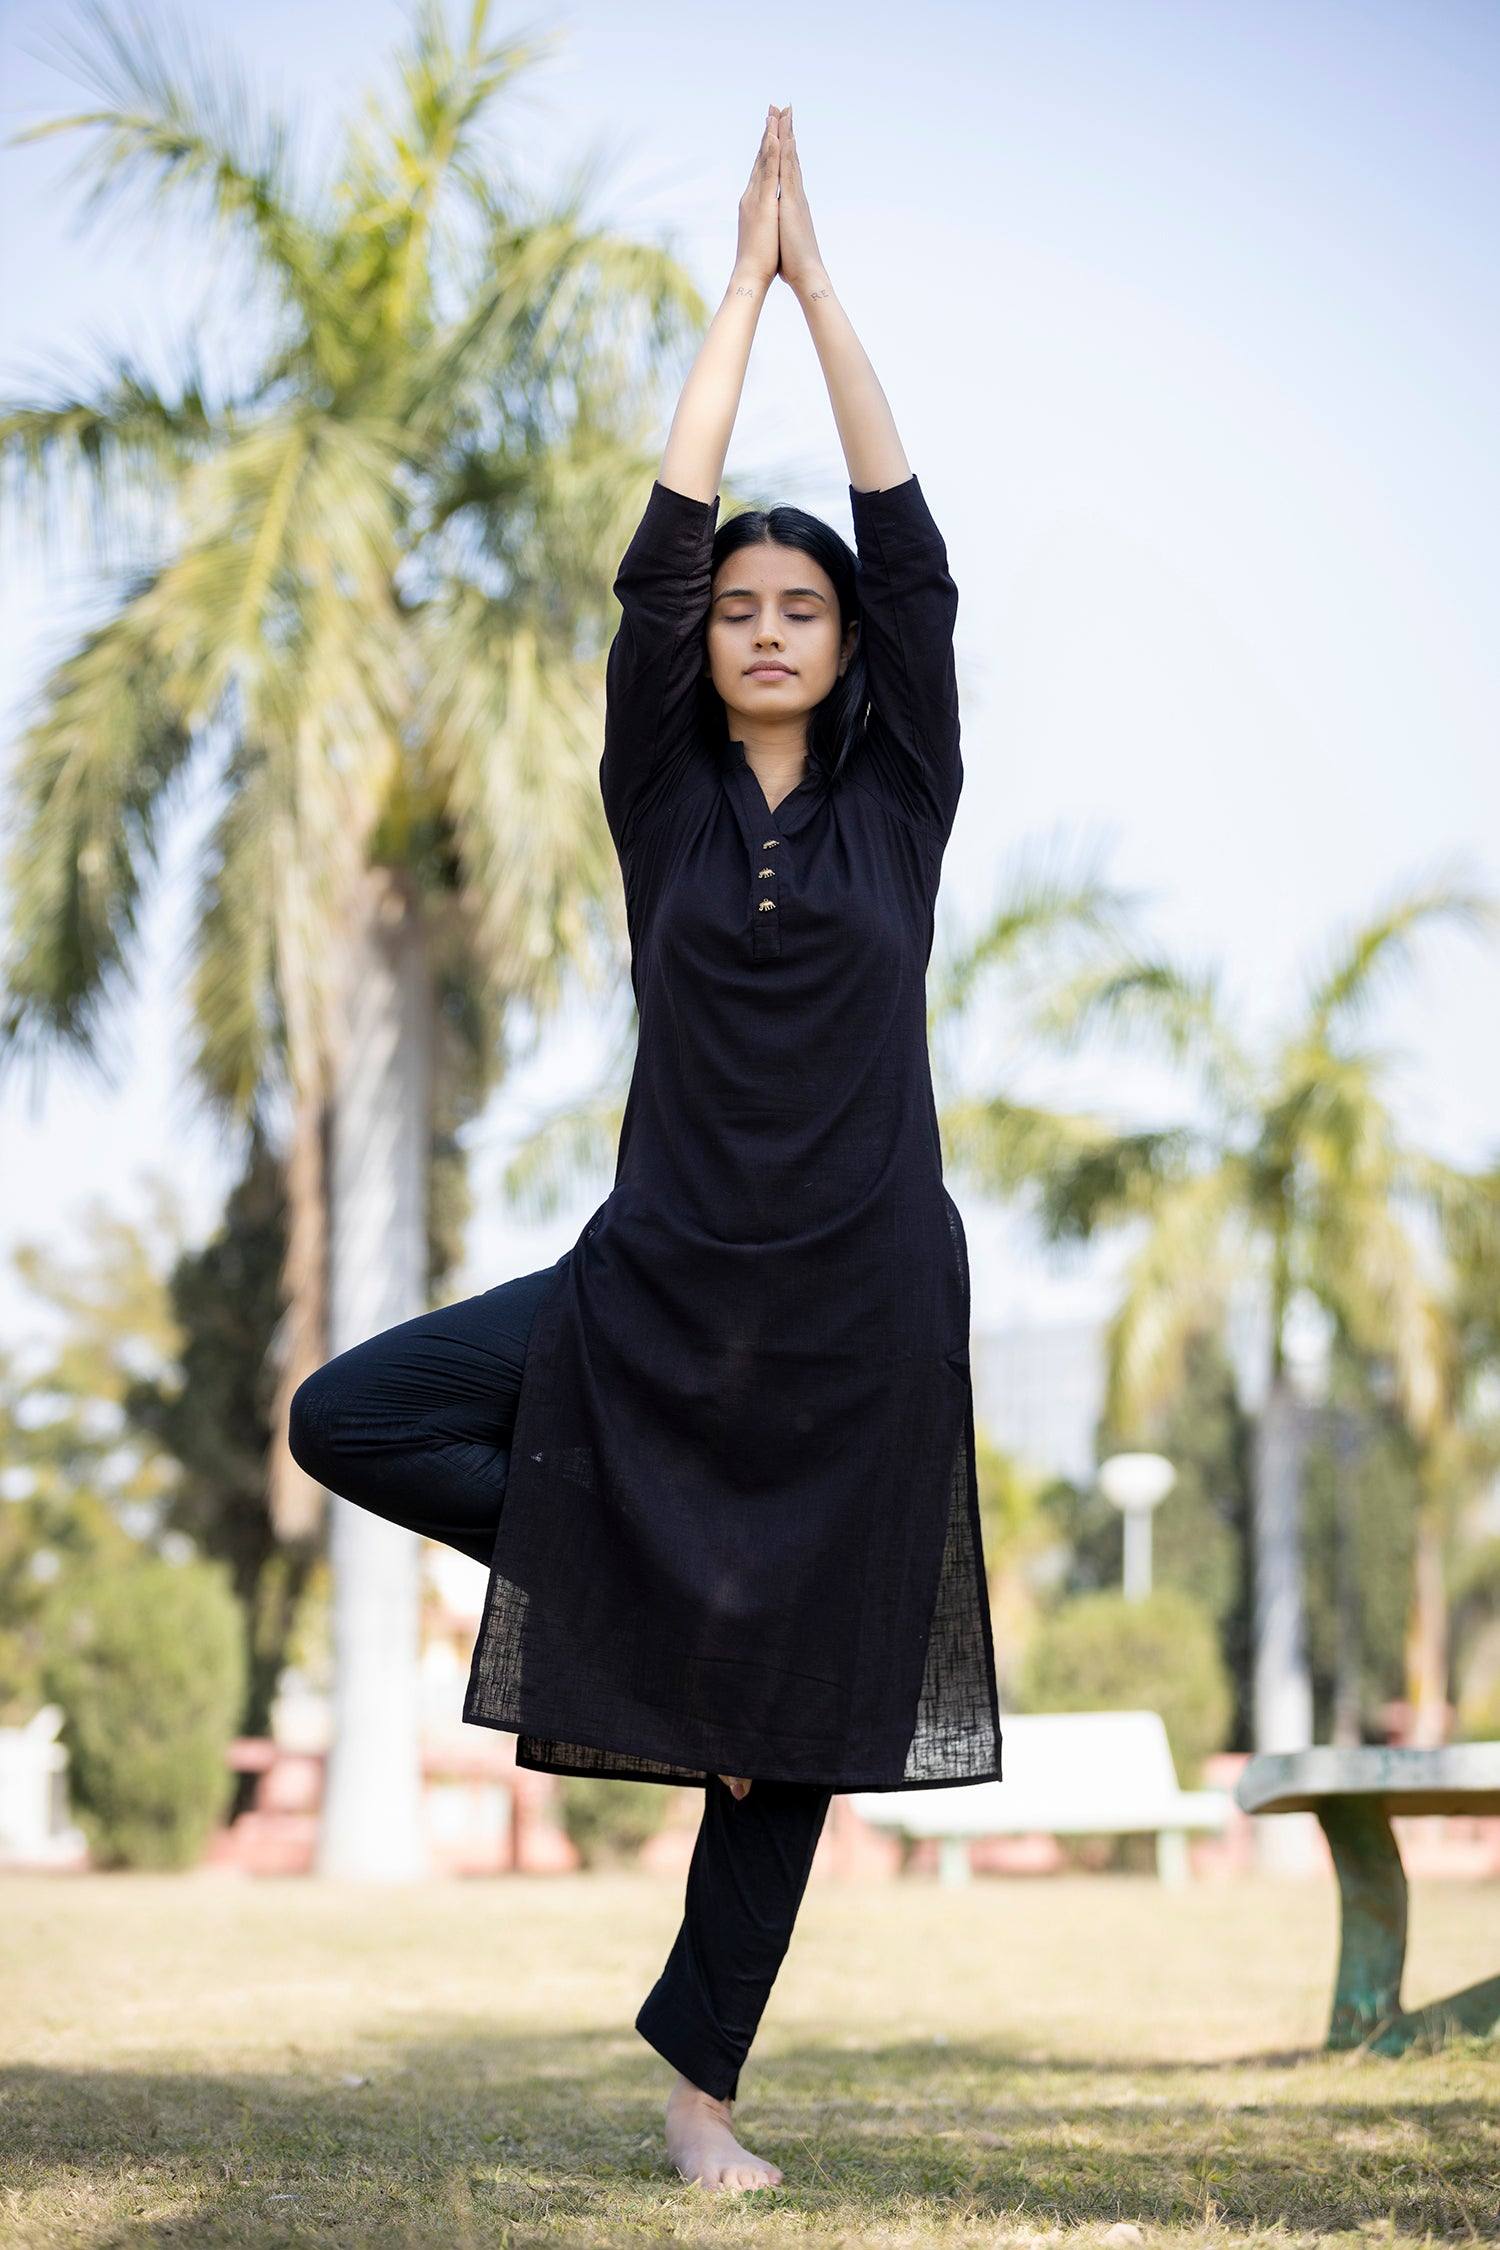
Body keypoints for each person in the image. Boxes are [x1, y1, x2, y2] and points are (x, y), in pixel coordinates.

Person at [289, 102, 1001, 2196]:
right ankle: (637, 1580)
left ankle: (702, 2103)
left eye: (802, 609)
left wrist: (821, 291)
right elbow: (656, 546)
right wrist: (734, 299)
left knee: (800, 1720)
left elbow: (915, 550)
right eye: (739, 608)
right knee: (350, 1415)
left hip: (860, 1305)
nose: (764, 624)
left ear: (847, 650)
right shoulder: (664, 807)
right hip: (656, 1282)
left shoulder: (900, 808)